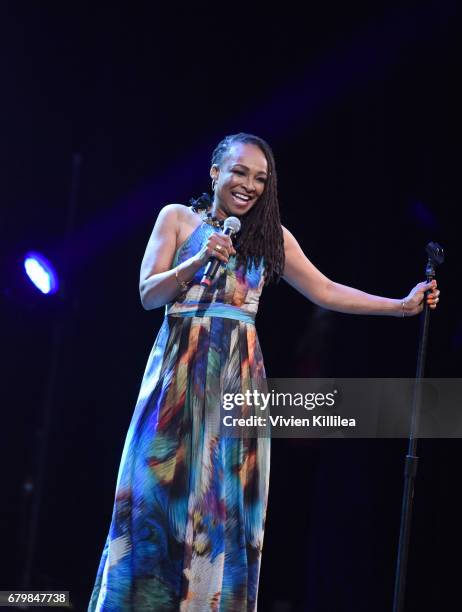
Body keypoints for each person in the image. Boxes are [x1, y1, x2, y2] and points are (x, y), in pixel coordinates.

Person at [88, 132, 440, 611]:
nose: (248, 185)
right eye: (239, 172)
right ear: (215, 172)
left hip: (237, 384)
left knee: (223, 513)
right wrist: (197, 259)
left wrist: (400, 307)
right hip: (177, 383)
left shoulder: (271, 238)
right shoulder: (176, 218)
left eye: (259, 178)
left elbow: (327, 291)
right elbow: (148, 294)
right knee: (155, 504)